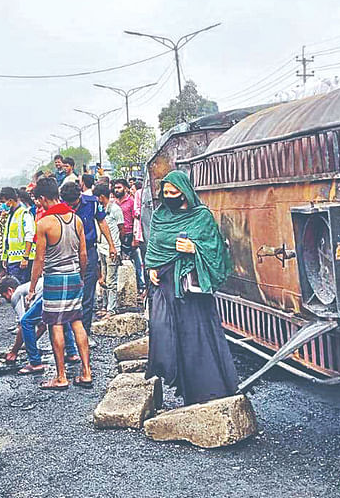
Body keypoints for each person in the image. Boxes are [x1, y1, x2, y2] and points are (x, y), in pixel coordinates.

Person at [144, 170, 238, 405]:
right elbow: (154, 244)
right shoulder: (160, 215)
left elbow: (217, 250)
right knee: (166, 332)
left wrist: (194, 249)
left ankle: (209, 392)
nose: (168, 196)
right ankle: (183, 390)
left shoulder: (201, 216)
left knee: (196, 337)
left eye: (173, 192)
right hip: (165, 286)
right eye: (165, 192)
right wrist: (151, 267)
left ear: (184, 193)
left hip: (190, 290)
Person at [29, 177, 92, 390]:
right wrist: (81, 277)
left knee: (55, 324)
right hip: (74, 276)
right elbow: (83, 254)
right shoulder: (77, 220)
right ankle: (86, 373)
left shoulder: (44, 224)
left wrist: (31, 287)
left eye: (38, 200)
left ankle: (61, 377)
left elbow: (39, 260)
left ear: (44, 198)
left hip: (54, 279)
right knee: (77, 322)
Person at [60, 181, 117, 334]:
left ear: (80, 196)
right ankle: (69, 335)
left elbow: (102, 222)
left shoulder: (92, 203)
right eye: (69, 205)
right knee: (69, 292)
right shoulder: (60, 206)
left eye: (74, 204)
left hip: (90, 251)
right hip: (68, 252)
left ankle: (85, 332)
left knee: (87, 291)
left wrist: (111, 245)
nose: (72, 208)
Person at [0, 276, 80, 373]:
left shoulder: (16, 294)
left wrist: (14, 351)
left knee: (26, 321)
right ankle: (72, 354)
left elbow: (23, 326)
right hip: (62, 285)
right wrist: (30, 342)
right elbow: (42, 325)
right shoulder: (28, 290)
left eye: (4, 296)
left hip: (48, 289)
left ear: (10, 290)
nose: (7, 300)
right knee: (61, 318)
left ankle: (35, 363)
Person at [94, 183, 124, 318]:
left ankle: (112, 309)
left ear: (101, 197)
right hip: (102, 248)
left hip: (112, 249)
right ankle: (105, 307)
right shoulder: (100, 209)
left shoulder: (115, 209)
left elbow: (121, 229)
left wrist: (116, 247)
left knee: (111, 281)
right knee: (104, 280)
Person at [114, 178, 146, 294]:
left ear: (126, 188)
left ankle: (141, 286)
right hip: (116, 236)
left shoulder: (131, 202)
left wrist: (134, 238)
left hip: (129, 234)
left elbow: (136, 220)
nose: (117, 190)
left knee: (135, 262)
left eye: (119, 187)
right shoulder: (113, 203)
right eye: (116, 187)